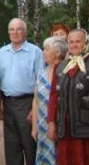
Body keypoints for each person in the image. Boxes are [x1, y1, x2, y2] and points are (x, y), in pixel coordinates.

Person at [48, 29, 89, 165]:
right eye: (71, 42)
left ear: (85, 43)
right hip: (64, 130)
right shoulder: (60, 67)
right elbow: (54, 95)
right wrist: (51, 122)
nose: (74, 45)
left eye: (78, 41)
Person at [0, 18, 44, 165]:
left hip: (28, 102)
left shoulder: (35, 52)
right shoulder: (2, 52)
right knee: (11, 146)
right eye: (12, 29)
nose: (15, 33)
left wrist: (35, 110)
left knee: (30, 143)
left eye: (18, 29)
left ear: (25, 32)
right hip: (8, 103)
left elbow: (40, 82)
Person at [31, 37, 68, 165]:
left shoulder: (67, 72)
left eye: (46, 49)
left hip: (62, 127)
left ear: (58, 52)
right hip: (43, 126)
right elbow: (36, 100)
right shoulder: (42, 72)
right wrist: (35, 127)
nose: (43, 52)